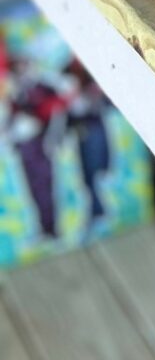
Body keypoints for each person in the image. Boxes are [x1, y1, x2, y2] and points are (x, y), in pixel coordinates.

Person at [5, 60, 67, 241]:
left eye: (24, 67)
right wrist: (12, 135)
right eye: (18, 69)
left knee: (44, 187)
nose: (22, 72)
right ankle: (43, 228)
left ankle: (52, 228)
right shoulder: (17, 92)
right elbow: (11, 116)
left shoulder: (45, 88)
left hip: (41, 145)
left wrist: (53, 139)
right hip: (24, 147)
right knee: (32, 189)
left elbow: (58, 114)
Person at [63, 59, 112, 227]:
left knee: (98, 173)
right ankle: (97, 210)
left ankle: (99, 210)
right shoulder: (67, 72)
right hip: (82, 136)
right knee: (88, 176)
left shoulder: (94, 73)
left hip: (95, 132)